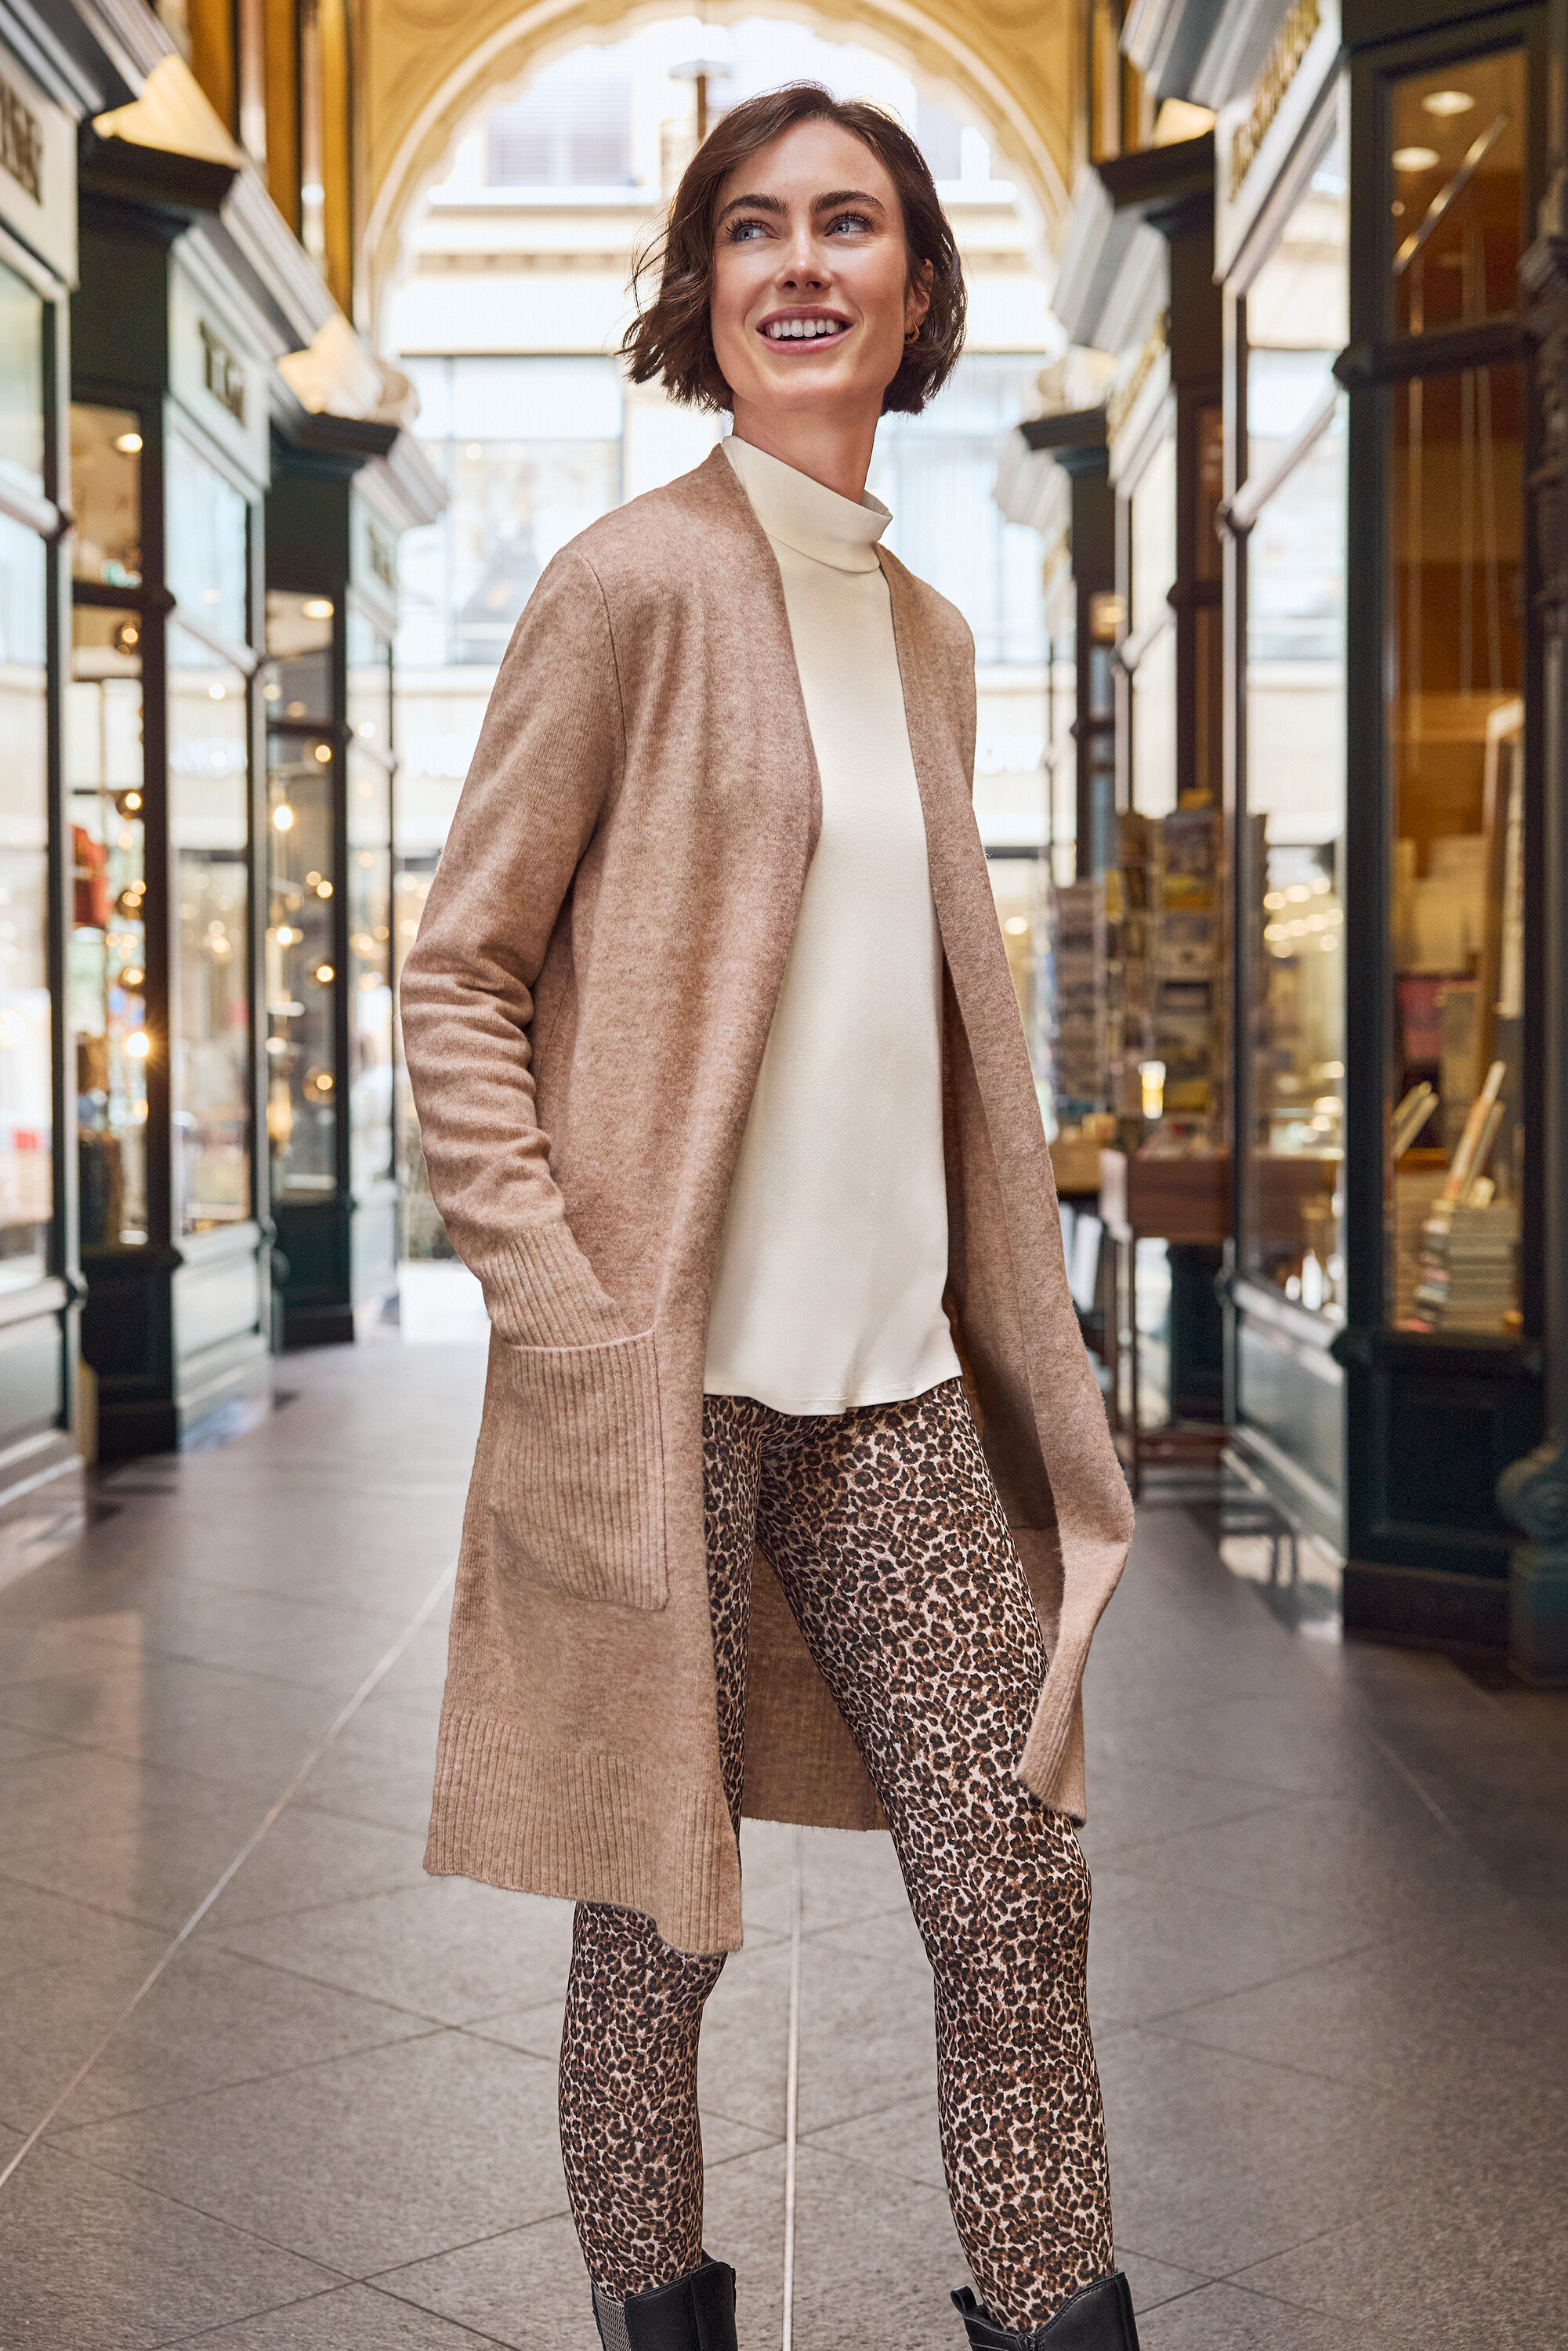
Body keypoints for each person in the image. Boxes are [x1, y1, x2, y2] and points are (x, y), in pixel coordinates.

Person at [400, 81, 1139, 2351]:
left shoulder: (922, 633)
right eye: (749, 230)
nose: (798, 264)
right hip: (670, 1381)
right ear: (700, 296)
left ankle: (1054, 2313)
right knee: (659, 1916)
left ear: (913, 288)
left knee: (1013, 1888)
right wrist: (568, 1301)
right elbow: (460, 969)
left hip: (898, 1383)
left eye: (848, 226)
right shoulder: (626, 581)